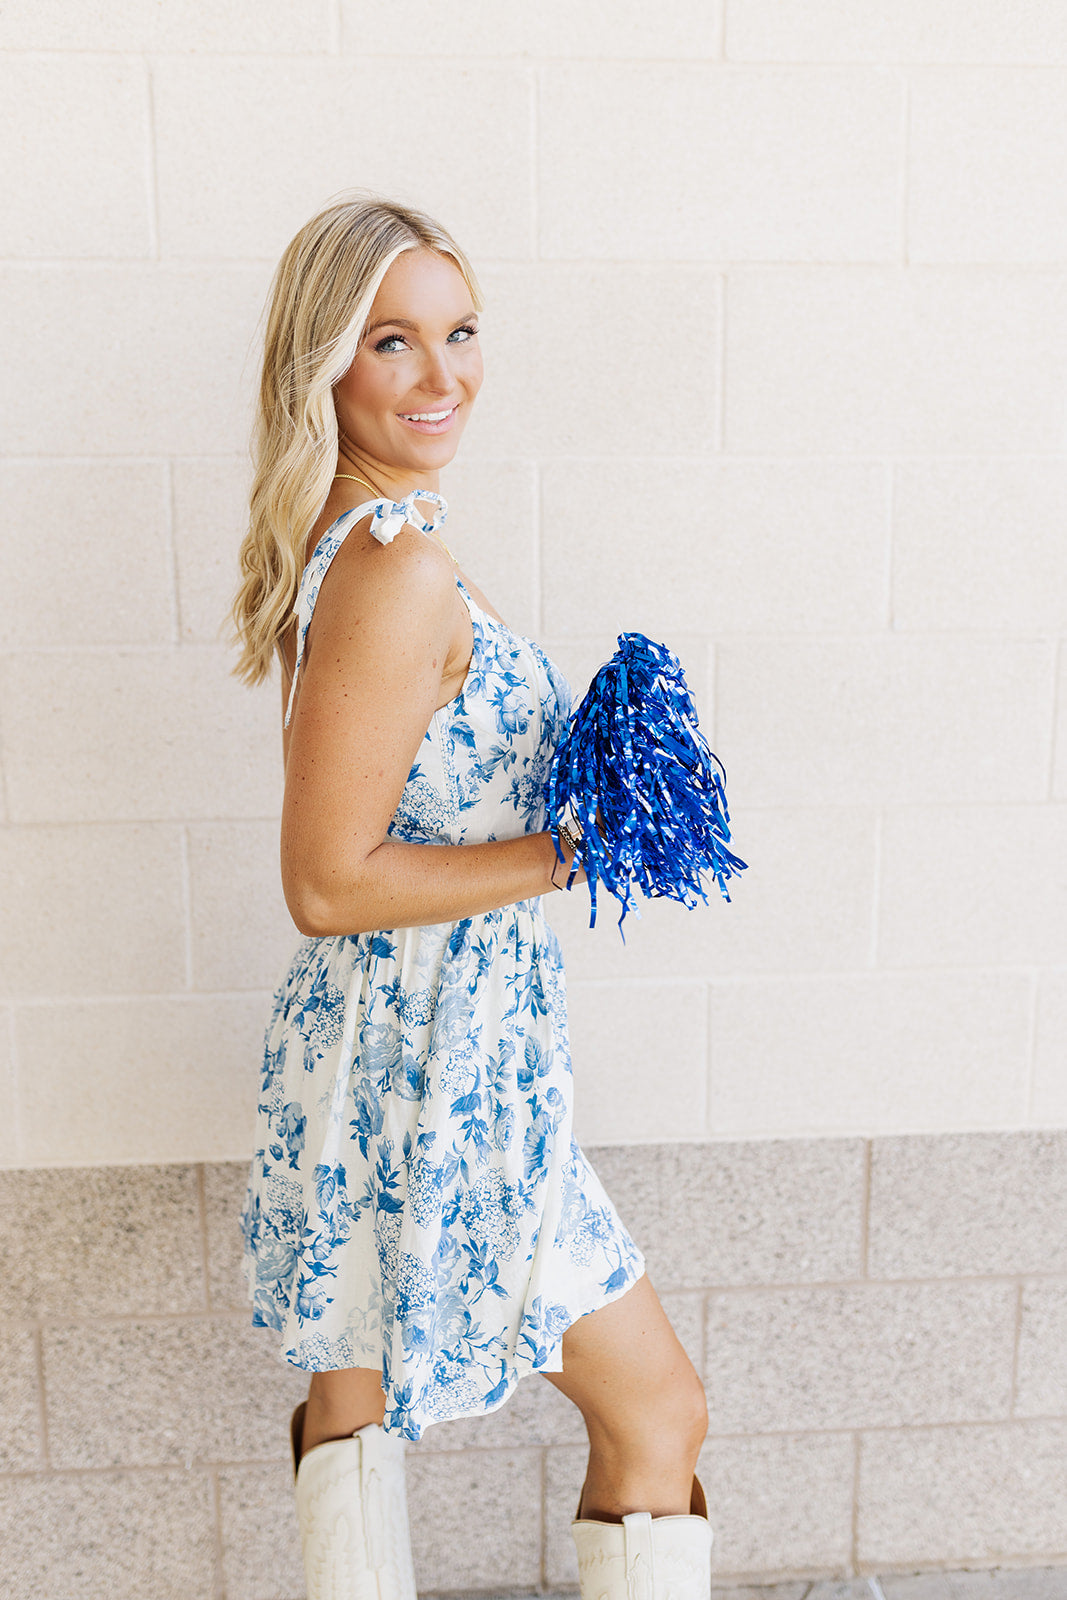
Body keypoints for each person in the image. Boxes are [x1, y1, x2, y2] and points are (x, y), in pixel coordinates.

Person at [232, 191, 712, 1600]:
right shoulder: (399, 567)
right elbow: (326, 881)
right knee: (659, 1411)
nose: (444, 376)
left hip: (392, 1042)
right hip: (439, 1055)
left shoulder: (364, 540)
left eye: (461, 332)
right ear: (323, 364)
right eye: (394, 342)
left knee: (355, 1400)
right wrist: (581, 850)